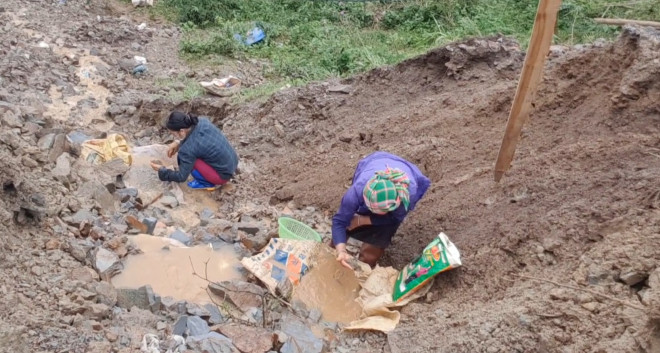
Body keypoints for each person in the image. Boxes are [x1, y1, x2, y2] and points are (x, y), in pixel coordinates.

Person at [332, 151, 430, 269]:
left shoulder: (406, 195)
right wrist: (341, 251)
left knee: (371, 253)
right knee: (339, 239)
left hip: (402, 180)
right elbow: (339, 221)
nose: (373, 212)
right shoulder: (358, 190)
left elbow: (394, 218)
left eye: (380, 211)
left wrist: (361, 220)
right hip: (377, 163)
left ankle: (362, 271)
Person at [150, 111, 239, 190]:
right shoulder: (201, 121)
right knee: (192, 154)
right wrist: (178, 142)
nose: (173, 136)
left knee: (189, 160)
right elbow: (194, 138)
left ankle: (206, 183)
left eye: (173, 134)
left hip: (222, 176)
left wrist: (162, 170)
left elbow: (181, 177)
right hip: (233, 162)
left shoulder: (187, 150)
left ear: (181, 131)